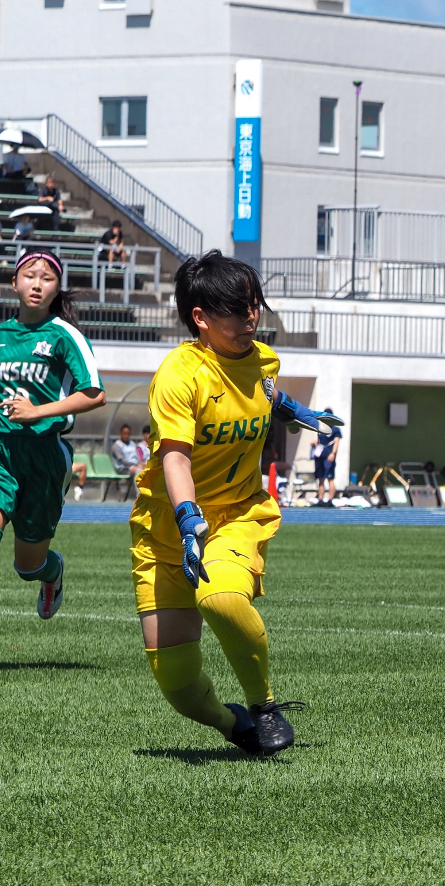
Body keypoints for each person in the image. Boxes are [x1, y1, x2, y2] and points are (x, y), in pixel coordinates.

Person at [129, 250, 341, 756]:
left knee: (221, 597)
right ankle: (234, 724)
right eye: (236, 309)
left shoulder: (262, 359)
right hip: (168, 527)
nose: (250, 319)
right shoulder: (179, 375)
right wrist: (186, 520)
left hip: (239, 513)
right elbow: (175, 460)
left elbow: (264, 391)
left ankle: (264, 704)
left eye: (254, 306)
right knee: (178, 686)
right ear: (200, 318)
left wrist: (297, 411)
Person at [0, 249, 106, 672]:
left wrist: (37, 412)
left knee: (28, 566)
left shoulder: (65, 336)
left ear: (56, 289)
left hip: (46, 459)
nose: (36, 283)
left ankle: (51, 573)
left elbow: (94, 394)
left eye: (46, 278)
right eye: (29, 275)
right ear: (14, 283)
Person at [312, 408, 342, 505]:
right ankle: (320, 499)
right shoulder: (321, 429)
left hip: (329, 457)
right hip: (320, 457)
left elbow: (337, 442)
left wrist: (333, 453)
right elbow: (318, 440)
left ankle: (330, 500)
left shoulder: (335, 430)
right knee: (320, 478)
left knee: (330, 478)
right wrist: (314, 443)